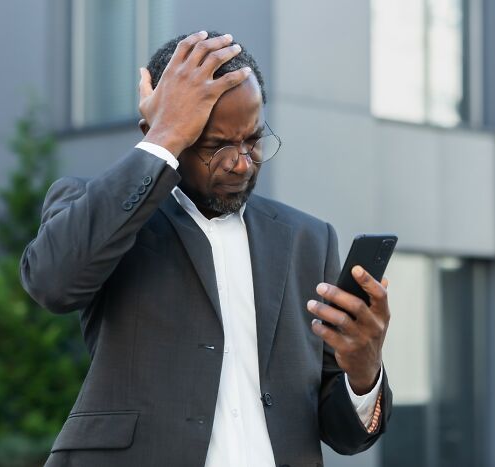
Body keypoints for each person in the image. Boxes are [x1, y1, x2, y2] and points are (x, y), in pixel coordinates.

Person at [20, 30, 393, 467]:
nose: (240, 162)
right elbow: (50, 283)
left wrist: (364, 371)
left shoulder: (307, 239)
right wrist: (163, 139)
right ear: (163, 130)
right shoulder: (104, 213)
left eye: (253, 141)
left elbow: (344, 437)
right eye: (216, 147)